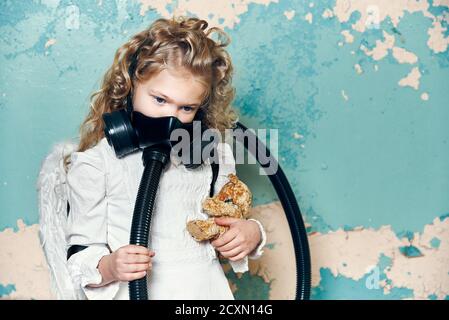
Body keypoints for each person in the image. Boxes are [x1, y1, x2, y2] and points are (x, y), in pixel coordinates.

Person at [65, 15, 267, 300]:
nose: (171, 118)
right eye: (159, 100)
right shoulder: (97, 165)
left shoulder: (212, 157)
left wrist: (250, 233)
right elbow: (79, 253)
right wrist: (109, 266)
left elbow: (230, 220)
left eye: (186, 108)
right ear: (130, 85)